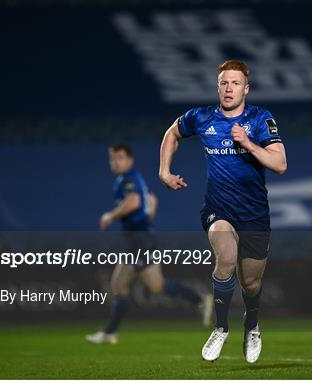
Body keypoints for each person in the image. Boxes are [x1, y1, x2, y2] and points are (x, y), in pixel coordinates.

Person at [159, 60, 287, 363]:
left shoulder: (259, 119)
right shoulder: (202, 117)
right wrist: (164, 172)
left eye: (235, 83)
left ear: (246, 88)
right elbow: (172, 134)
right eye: (224, 83)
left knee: (251, 283)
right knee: (225, 257)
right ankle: (220, 327)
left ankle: (252, 325)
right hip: (218, 209)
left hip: (254, 215)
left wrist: (248, 143)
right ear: (218, 87)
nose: (229, 89)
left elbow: (280, 164)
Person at [86, 143, 213, 345]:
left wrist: (110, 215)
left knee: (128, 285)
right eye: (112, 158)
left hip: (139, 242)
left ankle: (199, 299)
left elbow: (134, 202)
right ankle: (199, 300)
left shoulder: (127, 180)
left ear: (130, 160)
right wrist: (147, 214)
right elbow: (149, 203)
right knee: (140, 285)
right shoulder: (134, 179)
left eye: (119, 157)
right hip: (140, 239)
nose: (115, 162)